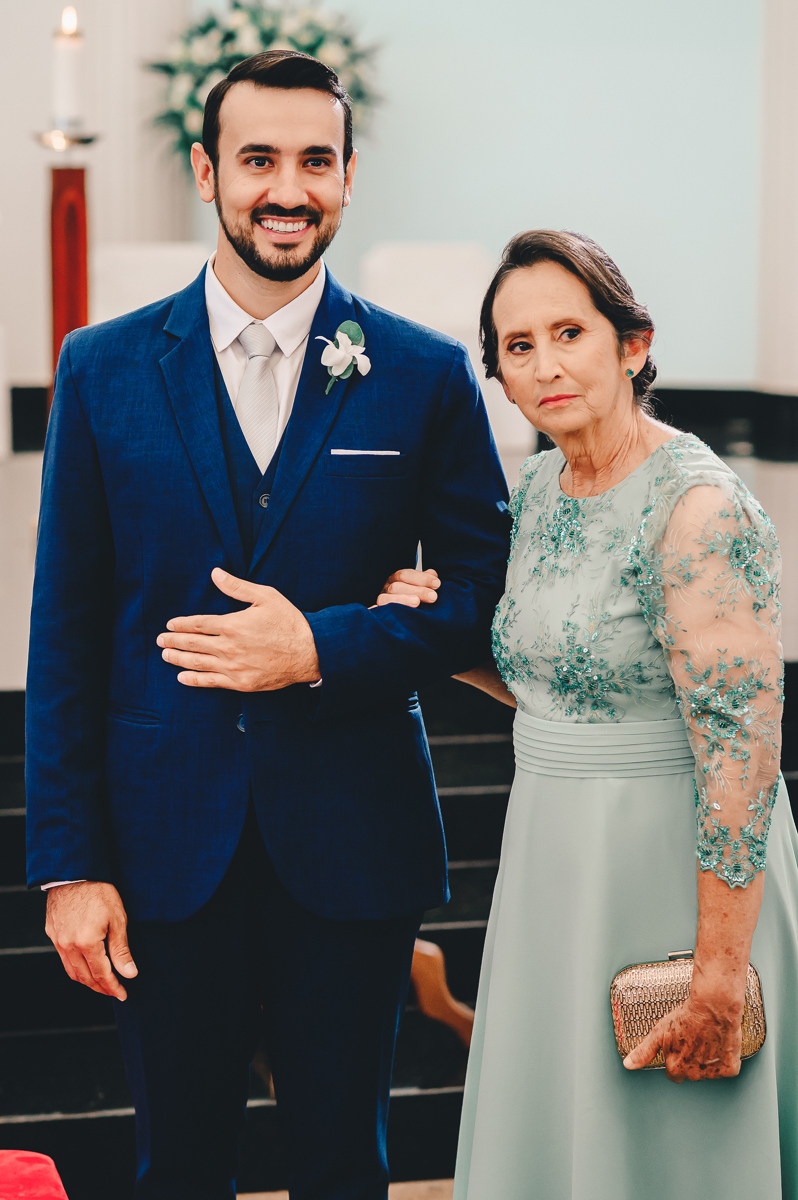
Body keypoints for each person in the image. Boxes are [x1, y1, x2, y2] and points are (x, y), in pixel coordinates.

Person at [25, 51, 510, 1199]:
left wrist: (323, 647)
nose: (286, 188)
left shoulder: (423, 373)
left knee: (344, 1164)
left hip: (352, 842)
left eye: (314, 161)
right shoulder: (100, 371)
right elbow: (67, 629)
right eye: (258, 160)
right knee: (175, 1164)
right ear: (208, 171)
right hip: (160, 848)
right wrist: (67, 868)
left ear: (347, 179)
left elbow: (491, 595)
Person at [379, 230, 798, 1198]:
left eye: (570, 331)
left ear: (633, 343)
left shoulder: (698, 510)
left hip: (671, 867)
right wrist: (438, 639)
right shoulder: (533, 490)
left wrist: (720, 974)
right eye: (517, 346)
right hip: (551, 858)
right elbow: (557, 680)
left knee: (673, 1146)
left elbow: (743, 761)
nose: (546, 364)